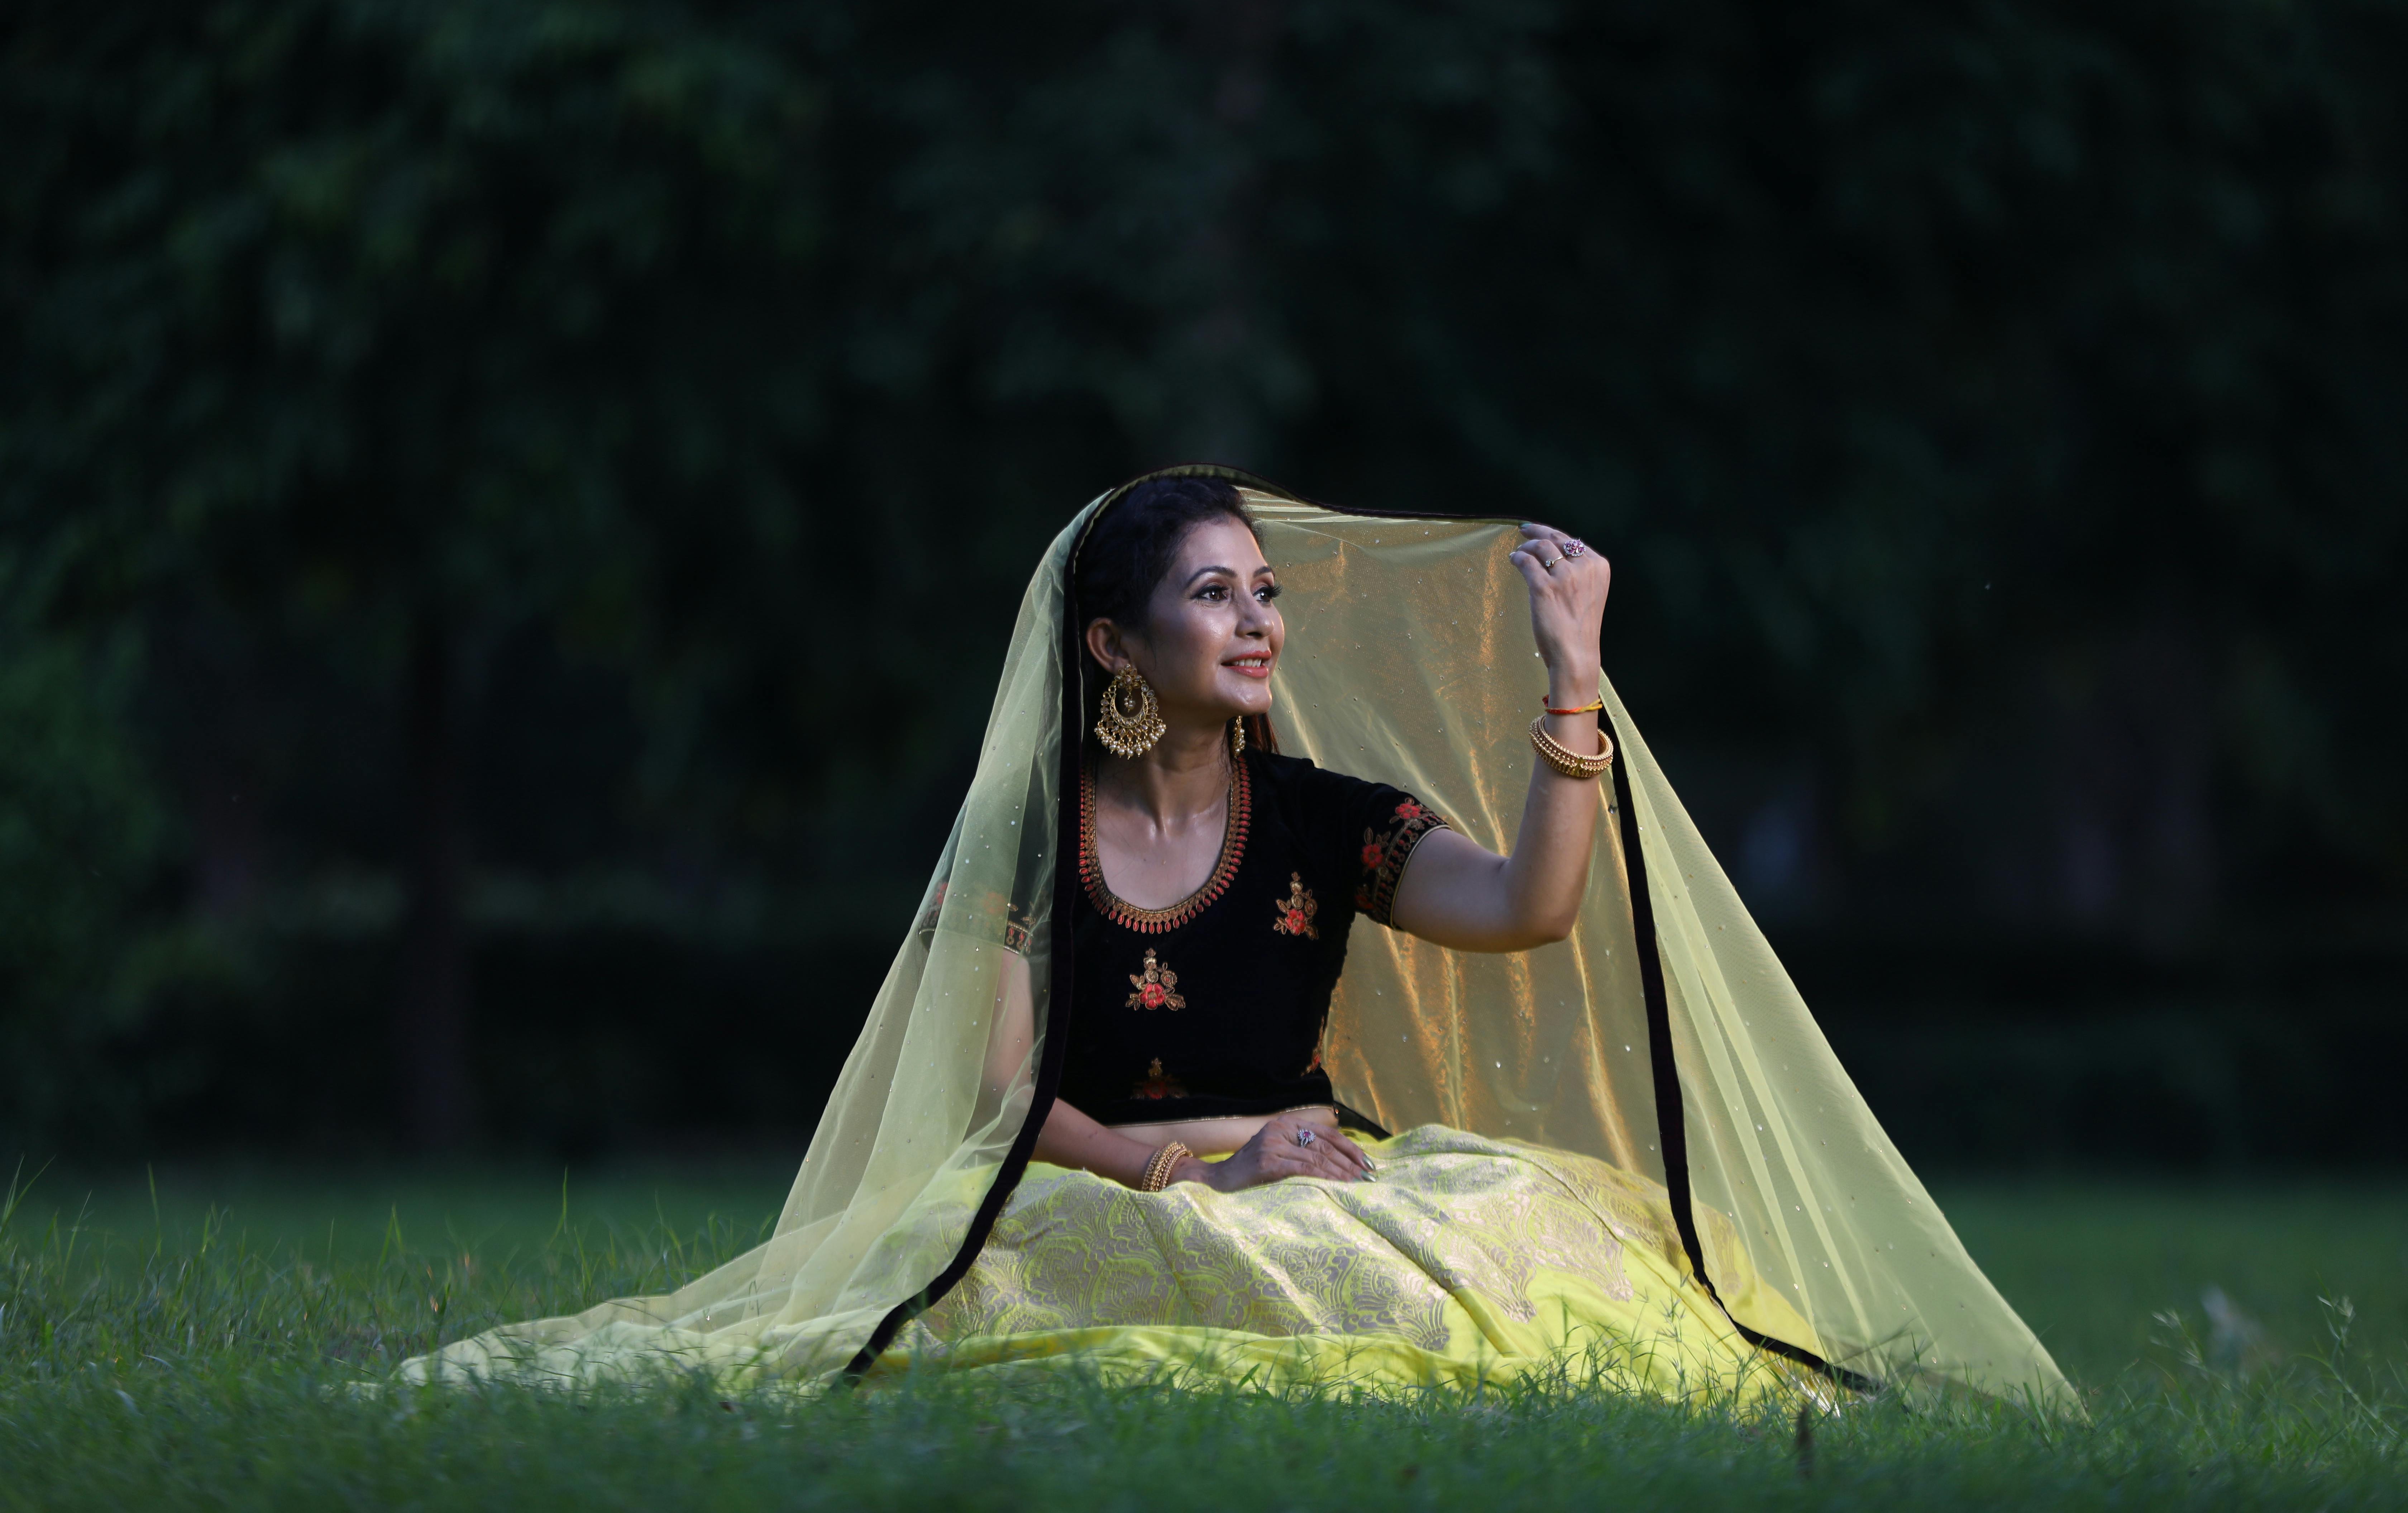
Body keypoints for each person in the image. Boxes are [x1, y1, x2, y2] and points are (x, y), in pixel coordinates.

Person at [401, 471, 2071, 1409]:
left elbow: (1528, 908)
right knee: (1064, 1280)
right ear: (1117, 639)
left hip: (1312, 1160)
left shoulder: (1326, 817)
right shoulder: (1024, 835)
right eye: (1217, 594)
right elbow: (998, 1105)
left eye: (1267, 592)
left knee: (1477, 1252)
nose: (1262, 618)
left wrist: (1574, 687)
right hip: (1088, 1184)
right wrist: (1187, 1164)